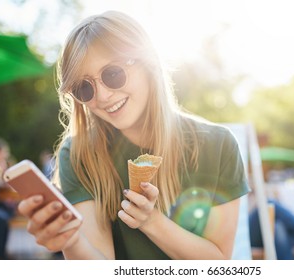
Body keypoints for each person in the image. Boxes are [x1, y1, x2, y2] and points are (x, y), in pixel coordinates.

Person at [17, 11, 249, 260]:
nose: (103, 96)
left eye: (112, 74)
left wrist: (152, 222)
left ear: (147, 63)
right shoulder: (78, 154)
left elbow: (219, 264)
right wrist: (71, 240)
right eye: (84, 87)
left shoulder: (218, 145)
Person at [0, 137, 15, 259]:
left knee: (5, 215)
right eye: (0, 153)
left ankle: (0, 252)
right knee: (2, 219)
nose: (1, 156)